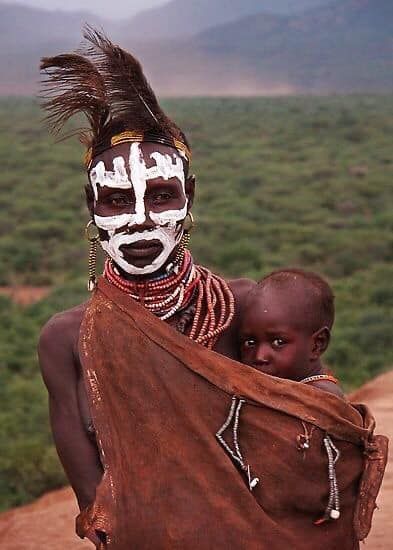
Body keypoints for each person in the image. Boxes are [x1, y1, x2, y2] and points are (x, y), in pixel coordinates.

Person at [37, 28, 387, 550]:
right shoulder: (67, 338)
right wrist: (105, 518)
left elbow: (314, 401)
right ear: (91, 209)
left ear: (190, 198)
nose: (138, 221)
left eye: (160, 195)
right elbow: (81, 460)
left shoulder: (245, 308)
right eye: (115, 202)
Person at [239, 269, 344, 398]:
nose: (260, 357)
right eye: (250, 343)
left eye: (278, 342)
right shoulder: (288, 388)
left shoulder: (321, 398)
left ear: (317, 344)